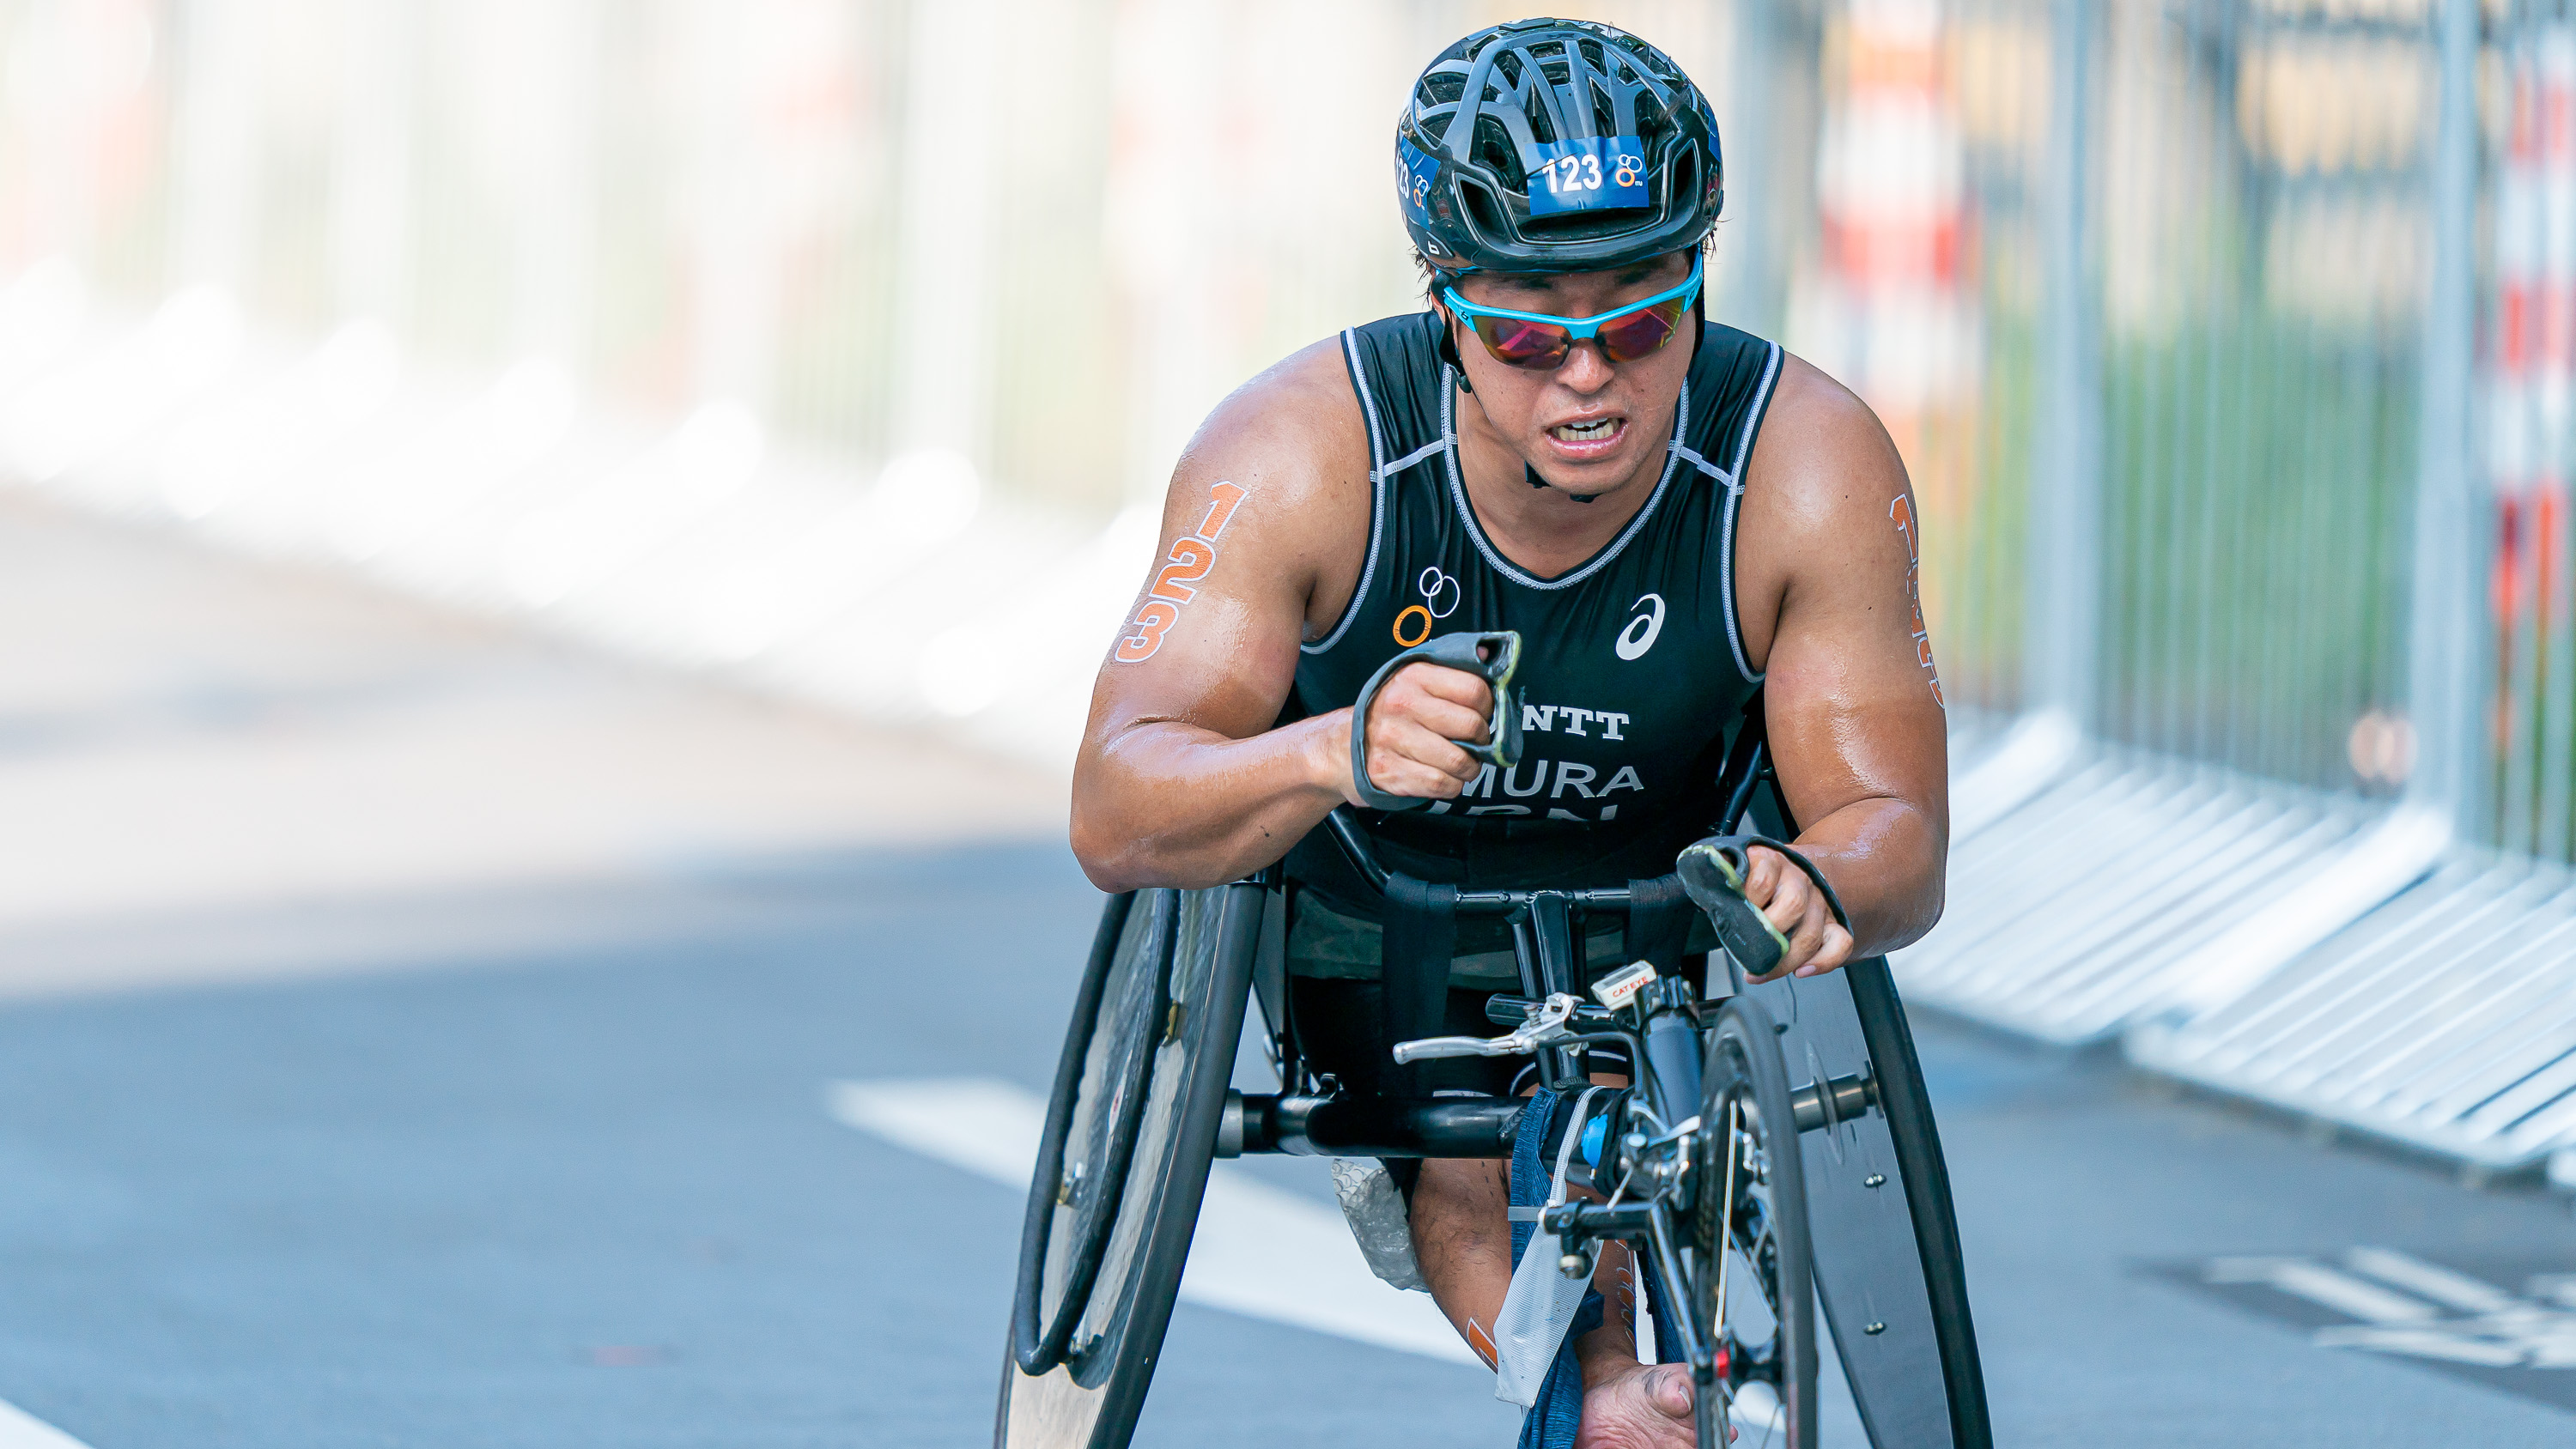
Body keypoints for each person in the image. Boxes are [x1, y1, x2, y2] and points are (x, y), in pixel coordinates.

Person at [1070, 18, 1946, 1446]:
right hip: (1376, 895)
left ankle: (1624, 1391)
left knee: (1591, 1103)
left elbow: (1902, 833)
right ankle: (1603, 1392)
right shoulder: (1298, 454)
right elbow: (1115, 804)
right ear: (1447, 310)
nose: (1588, 376)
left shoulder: (1808, 463)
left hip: (1661, 889)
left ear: (1699, 285)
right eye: (1531, 333)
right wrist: (1330, 750)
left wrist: (1826, 876)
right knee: (1468, 1161)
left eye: (1643, 323)